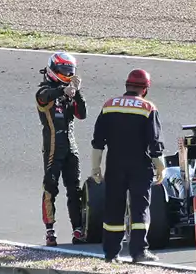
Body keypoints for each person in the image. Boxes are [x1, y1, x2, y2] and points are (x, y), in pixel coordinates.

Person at [90, 68, 166, 263]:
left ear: (127, 85)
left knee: (114, 207)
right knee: (140, 207)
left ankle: (111, 254)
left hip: (114, 165)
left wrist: (95, 167)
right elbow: (154, 143)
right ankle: (139, 252)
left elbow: (98, 140)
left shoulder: (109, 105)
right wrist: (161, 166)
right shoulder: (148, 108)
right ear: (146, 88)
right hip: (140, 166)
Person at [36, 50, 88, 247]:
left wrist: (77, 91)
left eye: (70, 71)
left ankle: (78, 229)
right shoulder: (43, 91)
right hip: (52, 146)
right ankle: (50, 231)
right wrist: (62, 91)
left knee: (74, 189)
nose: (67, 74)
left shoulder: (71, 93)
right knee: (50, 186)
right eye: (63, 70)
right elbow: (45, 97)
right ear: (53, 69)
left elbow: (82, 114)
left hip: (70, 145)